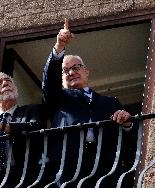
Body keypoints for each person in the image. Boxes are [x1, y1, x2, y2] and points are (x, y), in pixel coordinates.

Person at [42, 19, 133, 187]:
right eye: (65, 71)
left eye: (75, 67)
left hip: (106, 169)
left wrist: (127, 123)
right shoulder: (59, 98)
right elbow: (48, 83)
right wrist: (59, 46)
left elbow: (129, 136)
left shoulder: (110, 102)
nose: (71, 72)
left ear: (86, 71)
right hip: (68, 169)